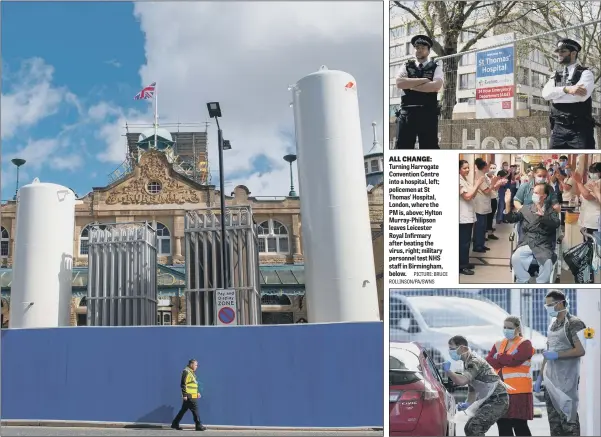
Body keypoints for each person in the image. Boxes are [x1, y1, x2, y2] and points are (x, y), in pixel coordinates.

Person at [534, 290, 587, 436]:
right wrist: (540, 377)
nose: (547, 308)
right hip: (550, 382)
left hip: (567, 381)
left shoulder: (574, 323)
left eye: (550, 305)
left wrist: (558, 355)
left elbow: (581, 350)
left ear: (561, 303)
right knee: (555, 425)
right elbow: (547, 352)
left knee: (569, 422)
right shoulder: (552, 325)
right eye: (546, 305)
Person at [442, 335, 510, 436]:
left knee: (475, 427)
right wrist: (468, 403)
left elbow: (462, 381)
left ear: (462, 348)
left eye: (452, 349)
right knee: (469, 428)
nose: (450, 352)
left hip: (498, 400)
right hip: (490, 400)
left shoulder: (474, 362)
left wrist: (449, 372)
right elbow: (472, 389)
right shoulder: (467, 362)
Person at [542, 39, 597, 149]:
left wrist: (556, 96)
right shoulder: (555, 75)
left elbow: (580, 97)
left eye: (563, 51)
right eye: (558, 52)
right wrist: (567, 90)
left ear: (573, 53)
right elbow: (546, 94)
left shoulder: (585, 73)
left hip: (579, 130)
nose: (559, 54)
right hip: (558, 129)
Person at [486, 316, 535, 436]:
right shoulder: (499, 344)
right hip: (500, 391)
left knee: (519, 425)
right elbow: (489, 360)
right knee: (502, 424)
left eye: (510, 328)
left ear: (517, 328)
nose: (506, 330)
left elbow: (515, 361)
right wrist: (505, 358)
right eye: (505, 327)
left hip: (519, 391)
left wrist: (499, 357)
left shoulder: (525, 344)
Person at [503, 183, 561, 283]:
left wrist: (543, 217)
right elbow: (511, 219)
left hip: (543, 244)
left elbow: (556, 224)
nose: (533, 195)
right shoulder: (526, 208)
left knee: (547, 261)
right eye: (533, 192)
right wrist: (508, 204)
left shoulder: (551, 211)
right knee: (516, 257)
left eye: (536, 193)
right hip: (527, 241)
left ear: (544, 196)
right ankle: (523, 280)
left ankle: (541, 283)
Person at [395, 34, 444, 149]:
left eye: (422, 48)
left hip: (427, 113)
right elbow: (399, 83)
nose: (419, 50)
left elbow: (436, 86)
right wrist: (423, 81)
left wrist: (410, 85)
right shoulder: (406, 66)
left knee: (429, 148)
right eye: (417, 48)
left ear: (428, 51)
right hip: (407, 113)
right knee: (403, 147)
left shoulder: (435, 67)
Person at [460, 160, 485, 275]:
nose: (467, 170)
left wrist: (476, 185)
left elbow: (473, 194)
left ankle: (465, 261)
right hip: (462, 216)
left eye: (468, 168)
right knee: (463, 242)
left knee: (466, 241)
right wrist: (477, 184)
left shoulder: (465, 180)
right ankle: (462, 265)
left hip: (468, 215)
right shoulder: (458, 180)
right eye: (465, 168)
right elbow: (467, 196)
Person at [171, 359, 206, 431]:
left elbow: (193, 384)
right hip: (189, 396)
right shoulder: (186, 372)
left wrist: (197, 393)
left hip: (192, 395)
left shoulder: (191, 372)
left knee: (183, 410)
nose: (197, 366)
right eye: (196, 365)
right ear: (191, 364)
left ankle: (175, 423)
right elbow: (183, 384)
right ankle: (198, 425)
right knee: (195, 410)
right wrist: (184, 395)